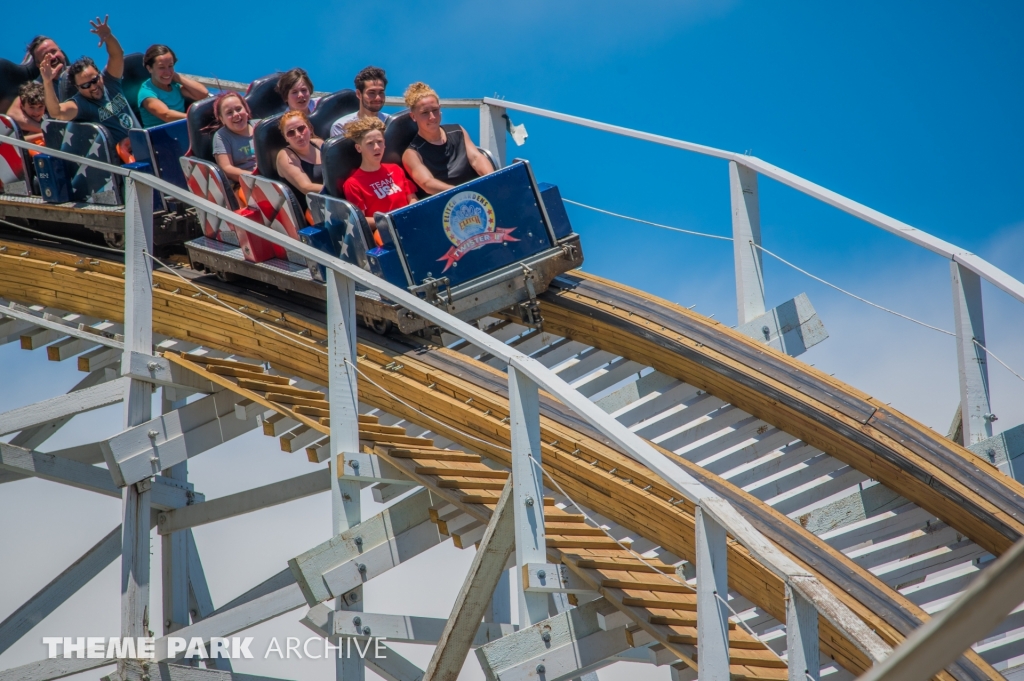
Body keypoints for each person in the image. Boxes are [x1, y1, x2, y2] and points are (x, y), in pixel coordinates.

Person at [39, 16, 139, 162]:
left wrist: (108, 37)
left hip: (143, 144)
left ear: (99, 75)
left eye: (94, 80)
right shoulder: (81, 104)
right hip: (123, 162)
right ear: (77, 88)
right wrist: (47, 82)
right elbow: (57, 112)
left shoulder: (110, 82)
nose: (93, 87)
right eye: (85, 85)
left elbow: (117, 54)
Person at [402, 82, 493, 197]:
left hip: (477, 197)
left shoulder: (458, 131)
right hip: (445, 202)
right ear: (413, 116)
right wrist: (460, 192)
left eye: (435, 110)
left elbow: (476, 158)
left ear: (440, 109)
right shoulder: (411, 153)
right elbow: (427, 183)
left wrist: (492, 179)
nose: (432, 117)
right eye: (425, 113)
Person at [342, 117, 416, 237]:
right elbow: (361, 220)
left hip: (410, 224)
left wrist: (411, 211)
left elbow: (412, 198)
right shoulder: (353, 184)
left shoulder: (395, 169)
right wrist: (391, 220)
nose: (376, 147)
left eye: (380, 142)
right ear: (359, 148)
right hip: (385, 233)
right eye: (370, 144)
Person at [137, 44, 208, 128]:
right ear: (150, 68)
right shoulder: (147, 93)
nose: (167, 72)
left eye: (170, 66)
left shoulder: (175, 85)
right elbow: (167, 115)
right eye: (161, 67)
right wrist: (196, 118)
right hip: (160, 134)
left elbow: (202, 94)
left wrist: (177, 77)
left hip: (182, 128)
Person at [6, 36, 70, 123]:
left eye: (54, 51)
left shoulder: (79, 73)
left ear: (61, 52)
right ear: (38, 65)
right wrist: (44, 129)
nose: (52, 57)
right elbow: (13, 114)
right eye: (45, 56)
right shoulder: (37, 86)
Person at [275, 109, 322, 213]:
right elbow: (306, 188)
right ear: (285, 138)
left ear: (310, 128)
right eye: (291, 133)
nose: (297, 134)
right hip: (310, 211)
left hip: (334, 201)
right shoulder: (285, 156)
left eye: (301, 128)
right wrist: (337, 190)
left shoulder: (319, 144)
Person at [208, 92, 257, 186]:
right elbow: (226, 168)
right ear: (222, 119)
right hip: (245, 184)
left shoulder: (259, 126)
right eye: (229, 112)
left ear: (246, 110)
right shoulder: (222, 136)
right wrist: (255, 177)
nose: (236, 114)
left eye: (238, 109)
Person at [329, 65, 389, 138]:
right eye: (371, 93)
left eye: (381, 92)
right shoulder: (341, 126)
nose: (378, 98)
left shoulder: (391, 123)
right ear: (358, 94)